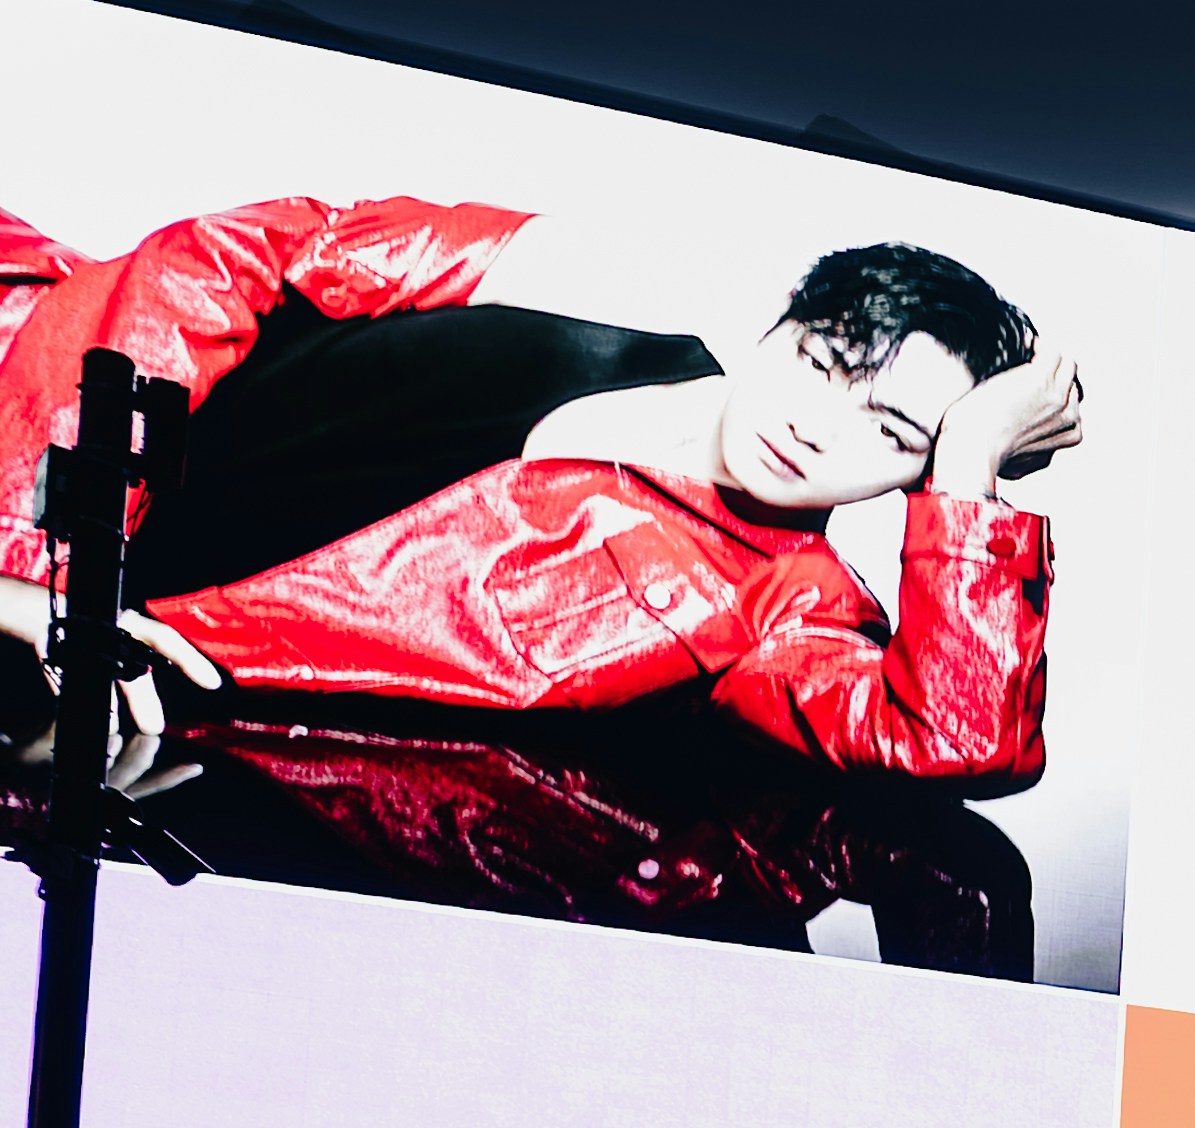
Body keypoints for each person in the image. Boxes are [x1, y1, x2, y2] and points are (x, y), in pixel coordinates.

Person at [0, 203, 1080, 789]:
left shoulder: (784, 610)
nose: (815, 427)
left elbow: (952, 741)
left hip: (48, 699)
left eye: (891, 437)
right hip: (25, 387)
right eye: (818, 364)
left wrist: (972, 455)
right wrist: (41, 570)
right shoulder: (565, 271)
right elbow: (232, 255)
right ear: (778, 323)